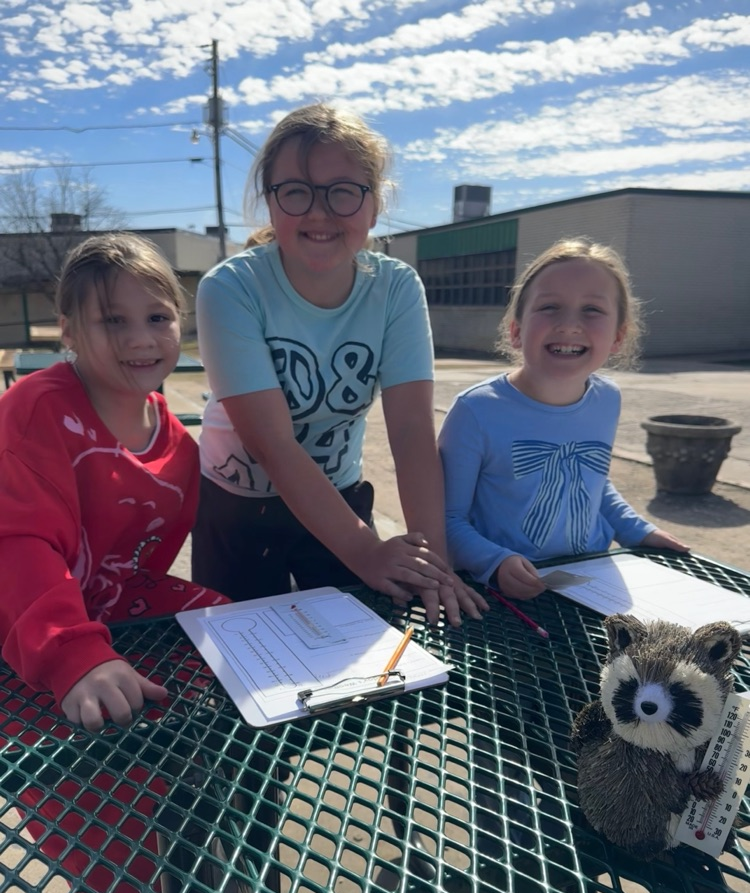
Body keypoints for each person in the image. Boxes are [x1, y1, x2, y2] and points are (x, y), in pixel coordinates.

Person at [192, 102, 485, 625]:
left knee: (359, 661)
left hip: (339, 497)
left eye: (344, 191)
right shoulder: (230, 288)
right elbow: (272, 445)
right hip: (236, 509)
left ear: (374, 207)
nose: (319, 211)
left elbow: (413, 431)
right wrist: (368, 552)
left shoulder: (395, 288)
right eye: (296, 190)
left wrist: (434, 564)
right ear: (271, 202)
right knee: (243, 670)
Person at [0, 232, 227, 732]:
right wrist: (73, 654)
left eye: (157, 318)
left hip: (110, 612)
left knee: (235, 633)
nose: (141, 339)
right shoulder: (33, 412)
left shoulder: (180, 446)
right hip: (23, 622)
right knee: (93, 791)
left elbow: (136, 566)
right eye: (112, 320)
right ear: (68, 332)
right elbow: (16, 543)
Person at [438, 237, 689, 601]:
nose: (569, 324)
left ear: (619, 336)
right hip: (507, 596)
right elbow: (447, 519)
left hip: (595, 572)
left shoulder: (608, 399)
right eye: (550, 307)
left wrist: (637, 530)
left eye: (592, 310)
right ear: (516, 330)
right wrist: (496, 562)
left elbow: (592, 483)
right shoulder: (475, 410)